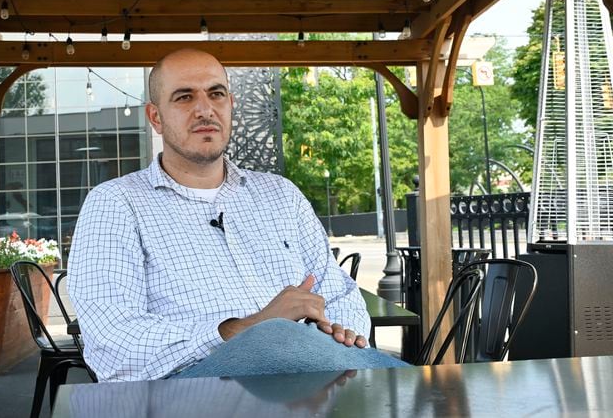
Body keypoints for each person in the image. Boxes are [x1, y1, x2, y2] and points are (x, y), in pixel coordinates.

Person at [67, 48, 406, 382]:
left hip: (313, 372)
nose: (204, 109)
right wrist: (248, 329)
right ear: (156, 117)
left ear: (230, 105)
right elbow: (113, 341)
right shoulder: (116, 204)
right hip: (192, 387)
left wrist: (341, 332)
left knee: (389, 382)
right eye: (184, 97)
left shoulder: (280, 195)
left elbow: (339, 292)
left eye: (216, 94)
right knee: (276, 340)